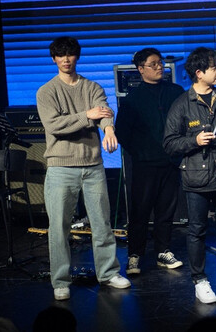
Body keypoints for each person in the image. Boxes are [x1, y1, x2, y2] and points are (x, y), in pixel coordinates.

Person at [36, 36, 131, 301]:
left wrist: (108, 129)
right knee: (59, 227)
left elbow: (104, 112)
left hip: (92, 166)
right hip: (60, 167)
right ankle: (60, 280)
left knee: (102, 223)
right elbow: (54, 125)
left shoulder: (92, 87)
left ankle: (108, 273)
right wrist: (86, 115)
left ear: (77, 56)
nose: (65, 59)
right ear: (54, 59)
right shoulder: (47, 91)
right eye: (60, 55)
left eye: (70, 54)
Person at [163, 47, 216, 304]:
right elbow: (169, 143)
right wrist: (195, 140)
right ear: (199, 73)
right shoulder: (182, 104)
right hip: (197, 178)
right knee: (197, 231)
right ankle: (200, 280)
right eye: (214, 68)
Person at [115, 48, 185, 275]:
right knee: (140, 211)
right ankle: (135, 254)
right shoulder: (133, 99)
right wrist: (140, 153)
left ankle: (163, 251)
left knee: (167, 210)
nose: (159, 67)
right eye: (153, 64)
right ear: (140, 69)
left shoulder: (175, 92)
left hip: (171, 162)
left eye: (160, 63)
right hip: (145, 164)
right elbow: (122, 132)